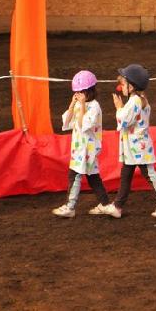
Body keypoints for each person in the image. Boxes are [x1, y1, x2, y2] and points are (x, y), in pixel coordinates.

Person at [99, 64, 156, 218]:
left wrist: (118, 108)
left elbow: (124, 120)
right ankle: (118, 206)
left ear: (131, 87)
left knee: (150, 174)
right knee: (126, 175)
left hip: (138, 148)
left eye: (123, 84)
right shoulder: (140, 100)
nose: (121, 87)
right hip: (134, 148)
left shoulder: (135, 102)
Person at [52, 70, 110, 218]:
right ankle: (106, 204)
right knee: (93, 177)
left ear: (90, 91)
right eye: (76, 92)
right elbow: (67, 122)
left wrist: (82, 105)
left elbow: (83, 124)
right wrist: (72, 104)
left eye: (81, 92)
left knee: (75, 175)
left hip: (87, 149)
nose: (78, 95)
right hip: (79, 148)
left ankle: (70, 207)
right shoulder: (78, 104)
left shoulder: (94, 107)